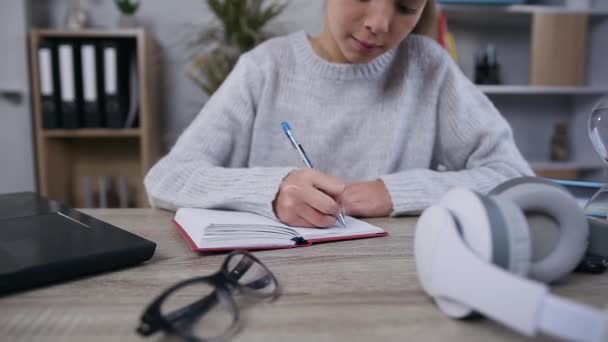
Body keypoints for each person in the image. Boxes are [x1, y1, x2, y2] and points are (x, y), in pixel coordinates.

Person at [144, 0, 533, 228]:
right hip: (272, 283)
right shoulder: (265, 68)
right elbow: (168, 176)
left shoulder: (429, 68)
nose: (379, 24)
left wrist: (394, 192)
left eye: (405, 7)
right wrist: (272, 190)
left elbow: (514, 177)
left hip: (399, 285)